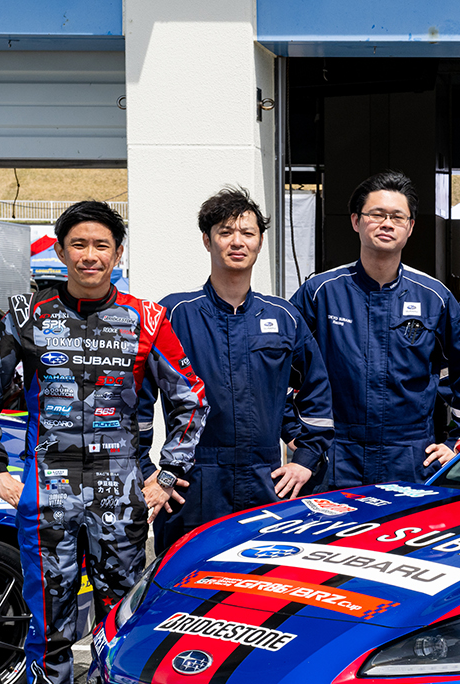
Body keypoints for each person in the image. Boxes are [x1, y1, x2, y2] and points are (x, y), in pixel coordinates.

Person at [0, 200, 208, 684]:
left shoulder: (148, 319)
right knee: (47, 620)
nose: (90, 255)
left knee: (120, 620)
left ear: (118, 254)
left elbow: (190, 399)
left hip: (120, 494)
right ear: (62, 250)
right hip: (47, 493)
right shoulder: (27, 313)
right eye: (79, 244)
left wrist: (168, 474)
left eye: (102, 245)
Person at [140, 187, 333, 555]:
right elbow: (137, 400)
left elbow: (317, 393)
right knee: (183, 588)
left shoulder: (283, 317)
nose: (237, 242)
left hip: (265, 485)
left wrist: (306, 460)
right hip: (190, 487)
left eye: (247, 233)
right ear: (207, 241)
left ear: (260, 242)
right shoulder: (175, 314)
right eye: (225, 232)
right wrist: (147, 469)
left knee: (259, 589)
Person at [289, 170, 460, 487]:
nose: (387, 223)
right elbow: (276, 365)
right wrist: (297, 434)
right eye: (376, 214)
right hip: (338, 455)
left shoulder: (434, 297)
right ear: (355, 221)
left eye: (397, 216)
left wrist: (458, 443)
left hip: (411, 456)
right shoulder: (321, 293)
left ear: (410, 228)